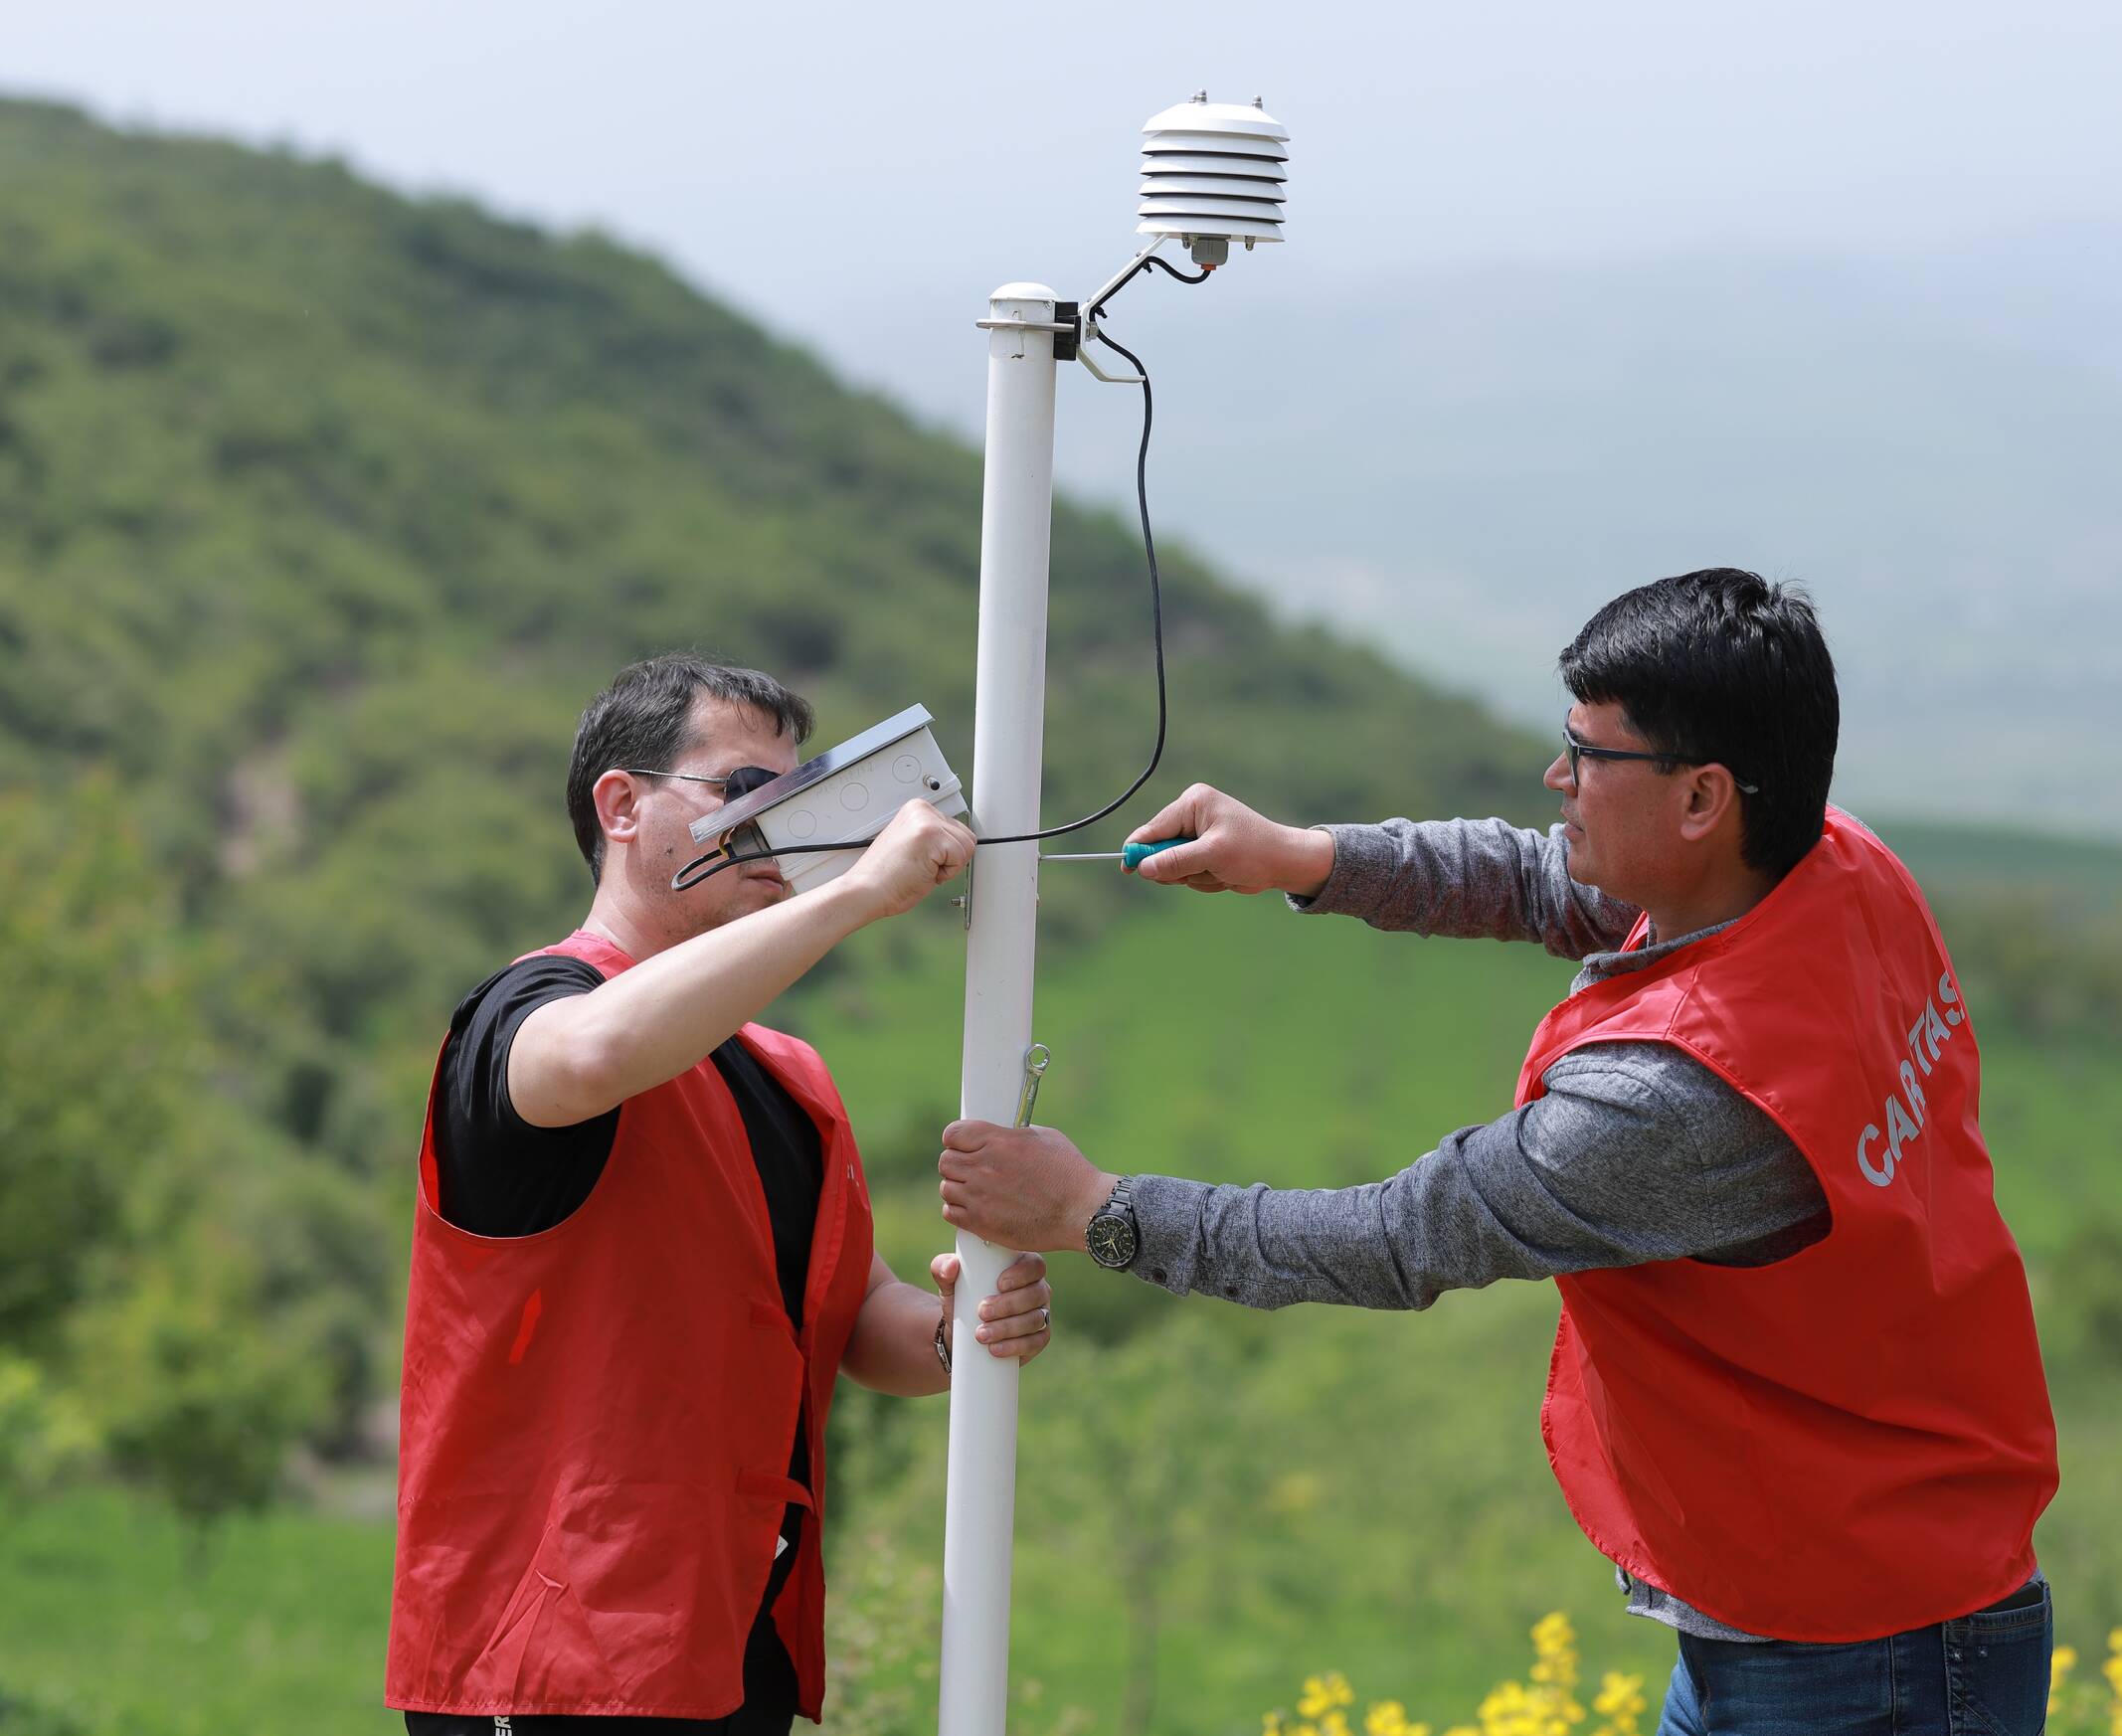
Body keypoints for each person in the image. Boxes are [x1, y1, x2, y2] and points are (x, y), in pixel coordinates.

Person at [937, 570, 2059, 1734]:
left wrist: (1093, 1209)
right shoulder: (1832, 866)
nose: (1556, 780)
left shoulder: (1671, 1099)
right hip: (1845, 1587)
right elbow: (1549, 877)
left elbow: (1390, 1239)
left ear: (1701, 799)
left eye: (1587, 755)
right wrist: (1303, 856)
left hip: (1859, 1657)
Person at [387, 654, 1054, 1734]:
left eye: (793, 797)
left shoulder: (788, 1074)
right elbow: (591, 1058)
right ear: (621, 804)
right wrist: (857, 895)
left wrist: (956, 1332)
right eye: (746, 790)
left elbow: (850, 1321)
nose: (777, 826)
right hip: (552, 1653)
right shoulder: (533, 1006)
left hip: (731, 1638)